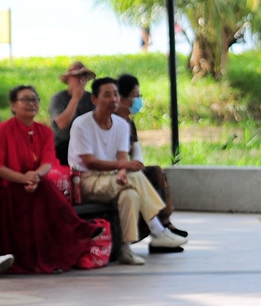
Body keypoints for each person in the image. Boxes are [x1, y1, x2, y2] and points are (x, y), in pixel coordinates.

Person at [69, 78, 187, 265]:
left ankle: (125, 249)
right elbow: (88, 162)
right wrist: (123, 167)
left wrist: (122, 171)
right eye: (107, 95)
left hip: (112, 178)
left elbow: (122, 157)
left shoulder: (122, 125)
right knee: (135, 177)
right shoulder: (81, 124)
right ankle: (157, 230)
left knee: (130, 195)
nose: (113, 99)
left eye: (115, 94)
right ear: (94, 99)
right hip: (86, 180)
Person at [0, 85, 101, 273]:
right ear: (13, 105)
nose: (31, 104)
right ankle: (78, 227)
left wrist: (35, 177)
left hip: (34, 183)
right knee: (43, 190)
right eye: (25, 100)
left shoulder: (44, 131)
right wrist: (23, 179)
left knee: (45, 186)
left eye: (35, 100)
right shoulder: (3, 130)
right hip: (9, 185)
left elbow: (47, 161)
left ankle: (64, 243)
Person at [115, 74, 188, 248]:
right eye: (136, 96)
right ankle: (158, 231)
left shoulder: (129, 122)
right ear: (123, 99)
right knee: (140, 179)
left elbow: (136, 149)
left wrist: (137, 165)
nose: (139, 100)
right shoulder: (112, 121)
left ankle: (164, 224)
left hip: (129, 168)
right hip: (116, 170)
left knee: (154, 171)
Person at [48, 60, 96, 165]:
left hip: (87, 144)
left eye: (84, 76)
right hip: (63, 144)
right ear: (68, 79)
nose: (81, 79)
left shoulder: (92, 99)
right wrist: (75, 99)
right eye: (77, 76)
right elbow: (62, 124)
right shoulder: (58, 98)